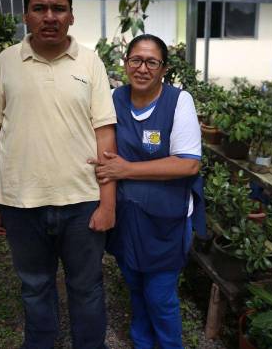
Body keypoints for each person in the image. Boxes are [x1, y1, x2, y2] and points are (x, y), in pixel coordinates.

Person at [0, 0, 117, 349]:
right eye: (40, 8)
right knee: (35, 286)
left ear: (72, 15)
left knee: (86, 288)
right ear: (26, 15)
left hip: (82, 202)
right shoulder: (7, 62)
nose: (50, 16)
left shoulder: (91, 63)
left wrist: (108, 202)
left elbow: (105, 134)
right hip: (21, 203)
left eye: (59, 8)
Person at [89, 34, 203, 349]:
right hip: (127, 217)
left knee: (160, 295)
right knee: (136, 288)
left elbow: (188, 164)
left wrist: (126, 170)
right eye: (136, 60)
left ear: (163, 68)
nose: (143, 68)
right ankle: (141, 342)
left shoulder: (179, 101)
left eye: (152, 62)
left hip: (166, 221)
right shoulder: (112, 99)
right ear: (125, 63)